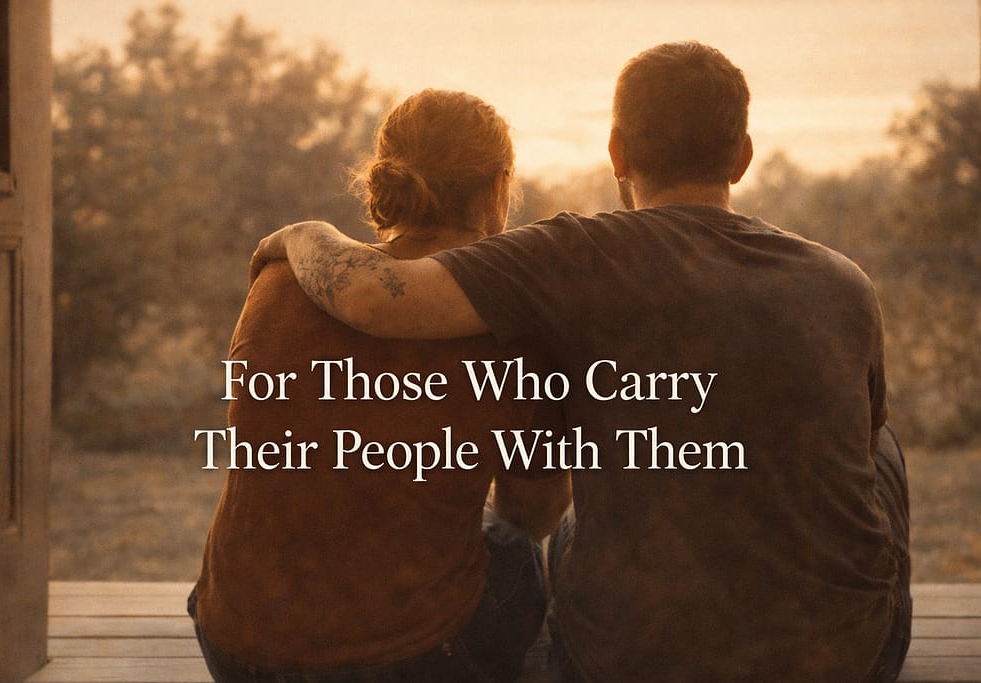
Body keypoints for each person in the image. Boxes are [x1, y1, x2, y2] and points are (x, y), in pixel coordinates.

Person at [251, 42, 912, 682]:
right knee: (879, 443)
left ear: (618, 151)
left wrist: (299, 233)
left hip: (621, 664)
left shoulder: (571, 257)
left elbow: (372, 293)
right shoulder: (843, 281)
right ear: (741, 156)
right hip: (845, 660)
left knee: (573, 526)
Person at [191, 89, 571, 683]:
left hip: (235, 643)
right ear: (498, 186)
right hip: (405, 662)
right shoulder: (515, 329)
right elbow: (533, 507)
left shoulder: (280, 279)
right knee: (519, 552)